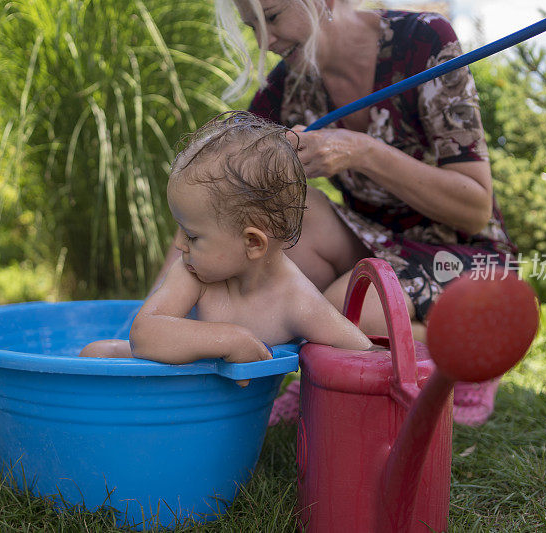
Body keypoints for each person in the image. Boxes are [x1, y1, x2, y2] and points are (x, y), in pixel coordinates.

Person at [193, 0, 517, 426]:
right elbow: (215, 192)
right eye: (252, 27)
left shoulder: (425, 40)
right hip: (376, 246)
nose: (266, 43)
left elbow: (475, 208)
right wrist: (166, 307)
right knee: (275, 215)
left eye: (271, 17)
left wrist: (363, 152)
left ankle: (465, 358)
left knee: (334, 312)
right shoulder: (287, 87)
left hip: (465, 257)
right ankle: (334, 360)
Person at [80, 111, 374, 385]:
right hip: (171, 382)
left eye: (193, 236)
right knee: (96, 352)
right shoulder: (193, 273)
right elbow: (143, 335)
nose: (180, 245)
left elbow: (364, 353)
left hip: (230, 413)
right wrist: (229, 339)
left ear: (252, 243)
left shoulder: (297, 301)